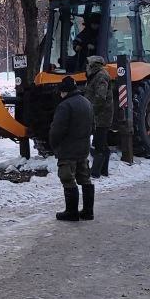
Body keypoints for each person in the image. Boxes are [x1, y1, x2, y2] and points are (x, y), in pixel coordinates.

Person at [49, 75, 95, 221]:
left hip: (68, 150)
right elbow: (92, 126)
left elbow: (57, 130)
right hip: (83, 148)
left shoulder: (65, 106)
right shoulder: (87, 103)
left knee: (68, 179)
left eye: (61, 91)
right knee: (85, 179)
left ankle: (71, 212)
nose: (60, 94)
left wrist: (54, 144)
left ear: (65, 91)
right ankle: (88, 212)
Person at [84, 56, 114, 178]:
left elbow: (100, 97)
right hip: (99, 114)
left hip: (101, 115)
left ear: (94, 65)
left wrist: (92, 111)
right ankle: (103, 170)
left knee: (99, 143)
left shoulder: (101, 76)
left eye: (88, 64)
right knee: (101, 143)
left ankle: (96, 171)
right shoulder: (95, 76)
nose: (86, 67)